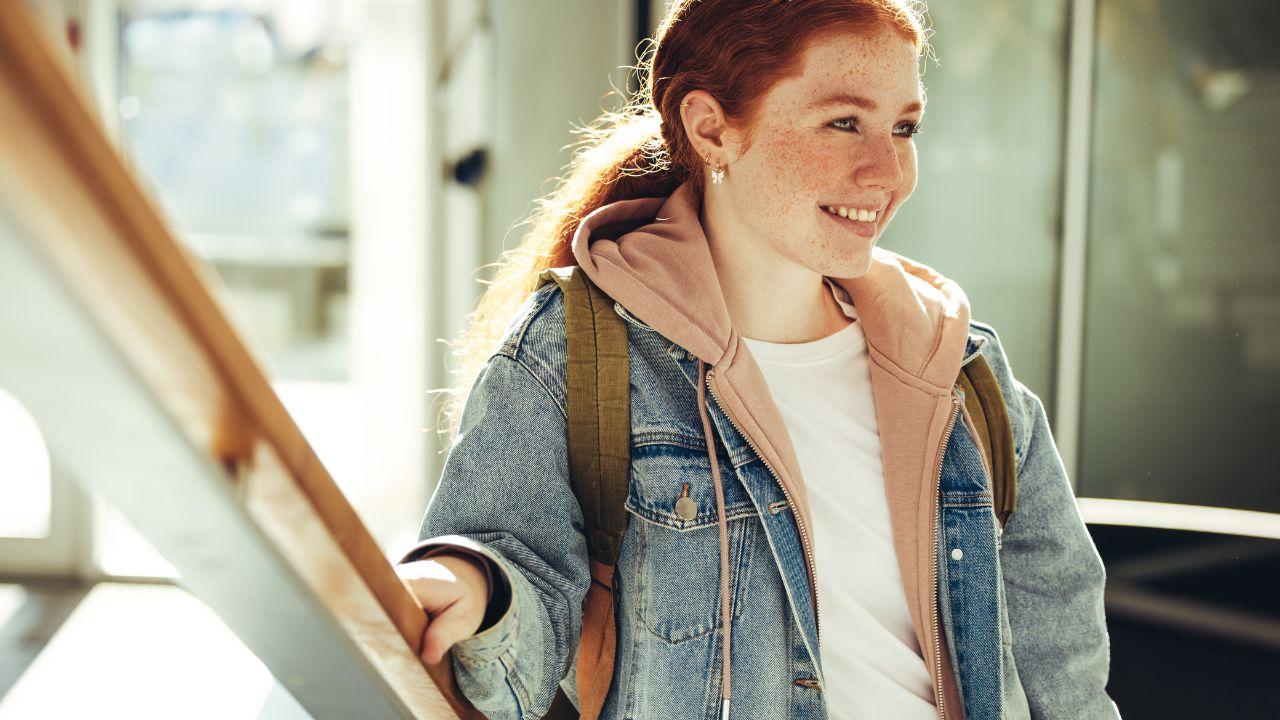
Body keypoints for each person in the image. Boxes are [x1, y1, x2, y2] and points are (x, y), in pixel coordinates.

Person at [394, 1, 1121, 719]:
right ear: (711, 129)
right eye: (844, 122)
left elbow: (1066, 673)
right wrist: (478, 587)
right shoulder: (575, 352)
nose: (886, 170)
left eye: (904, 127)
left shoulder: (960, 368)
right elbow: (513, 640)